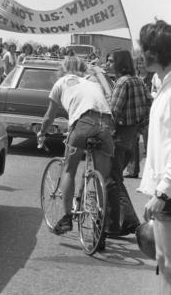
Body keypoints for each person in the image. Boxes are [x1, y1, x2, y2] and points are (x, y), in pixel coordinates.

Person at [37, 56, 114, 237]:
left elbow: (49, 116)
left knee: (69, 169)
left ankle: (66, 218)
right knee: (101, 176)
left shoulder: (61, 83)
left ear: (62, 70)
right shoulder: (92, 82)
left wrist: (42, 132)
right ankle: (101, 220)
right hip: (107, 122)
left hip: (84, 121)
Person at [138, 20, 171, 295]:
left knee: (168, 266)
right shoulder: (164, 85)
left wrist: (162, 193)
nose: (140, 53)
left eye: (143, 48)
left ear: (155, 52)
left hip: (169, 195)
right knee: (164, 265)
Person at [105, 50, 152, 237]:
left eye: (110, 60)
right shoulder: (138, 81)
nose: (107, 63)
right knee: (116, 178)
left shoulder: (122, 83)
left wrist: (104, 133)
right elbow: (150, 106)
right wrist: (139, 129)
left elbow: (113, 113)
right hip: (131, 137)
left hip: (118, 136)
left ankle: (113, 225)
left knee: (111, 180)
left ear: (119, 63)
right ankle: (130, 221)